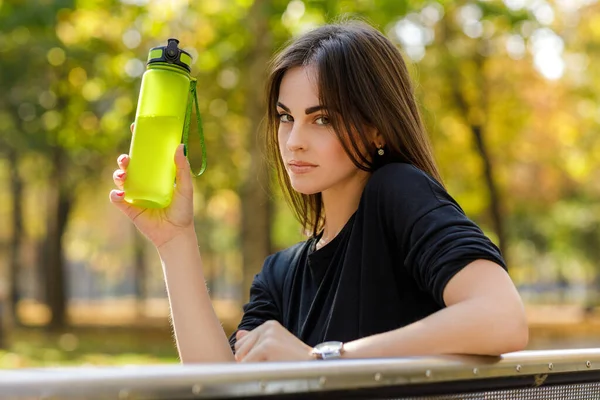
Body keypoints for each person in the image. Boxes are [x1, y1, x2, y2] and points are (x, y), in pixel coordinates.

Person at [109, 20, 528, 363]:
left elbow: (502, 317)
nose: (294, 141)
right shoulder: (280, 275)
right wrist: (175, 240)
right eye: (285, 117)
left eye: (322, 119)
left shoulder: (397, 189)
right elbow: (220, 386)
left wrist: (324, 359)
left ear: (376, 126)